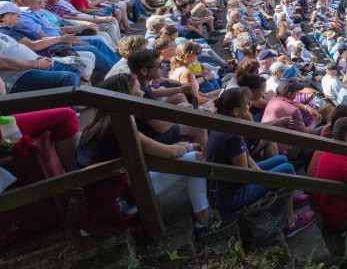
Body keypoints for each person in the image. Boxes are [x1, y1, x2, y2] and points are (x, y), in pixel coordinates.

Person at [75, 73, 218, 230]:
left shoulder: (93, 128)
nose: (143, 93)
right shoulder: (122, 128)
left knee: (191, 153)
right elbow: (169, 153)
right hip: (120, 204)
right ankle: (204, 221)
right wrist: (186, 147)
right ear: (126, 97)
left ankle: (204, 216)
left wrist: (186, 147)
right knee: (196, 158)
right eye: (138, 89)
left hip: (105, 198)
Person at [205, 87, 315, 237]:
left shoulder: (223, 122)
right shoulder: (233, 135)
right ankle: (291, 223)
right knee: (287, 169)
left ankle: (287, 196)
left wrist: (261, 172)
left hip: (226, 185)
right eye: (246, 104)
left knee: (282, 160)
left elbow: (245, 156)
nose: (250, 105)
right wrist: (265, 178)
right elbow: (244, 176)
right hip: (232, 197)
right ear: (236, 111)